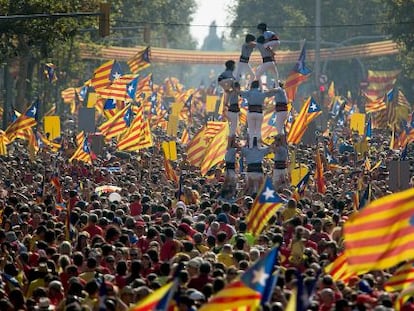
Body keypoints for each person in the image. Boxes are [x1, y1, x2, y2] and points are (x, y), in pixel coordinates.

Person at [240, 80, 280, 148]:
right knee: (258, 131)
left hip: (251, 112)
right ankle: (258, 147)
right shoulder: (262, 93)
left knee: (251, 130)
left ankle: (250, 146)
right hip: (259, 113)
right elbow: (270, 93)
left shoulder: (249, 92)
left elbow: (240, 93)